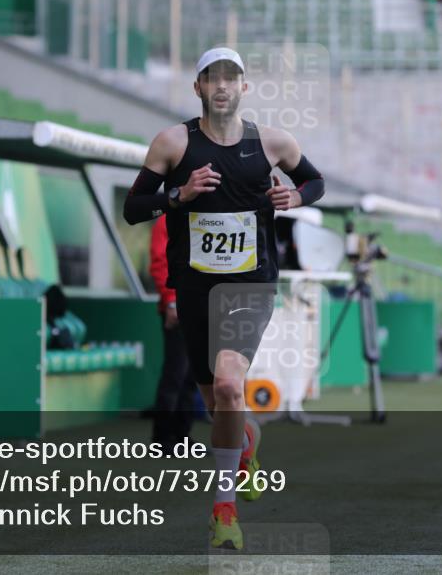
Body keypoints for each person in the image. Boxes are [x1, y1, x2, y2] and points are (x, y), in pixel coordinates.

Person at [123, 47, 326, 550]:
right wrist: (179, 195)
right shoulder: (172, 144)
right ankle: (247, 445)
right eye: (211, 78)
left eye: (231, 78)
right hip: (194, 287)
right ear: (197, 88)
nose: (221, 86)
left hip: (249, 285)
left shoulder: (273, 143)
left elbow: (315, 181)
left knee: (232, 387)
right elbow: (133, 208)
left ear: (243, 88)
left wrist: (296, 197)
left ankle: (223, 511)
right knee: (220, 406)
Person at [148, 215, 198, 449]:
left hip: (200, 307)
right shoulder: (166, 220)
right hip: (177, 307)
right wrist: (170, 301)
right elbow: (159, 262)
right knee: (176, 374)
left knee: (191, 377)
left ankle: (182, 436)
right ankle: (162, 438)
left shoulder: (204, 216)